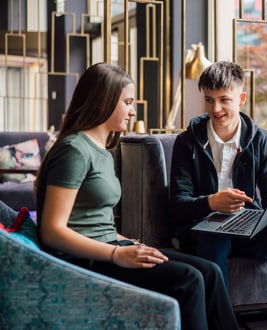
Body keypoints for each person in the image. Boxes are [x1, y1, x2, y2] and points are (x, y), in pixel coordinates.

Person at [35, 62, 239, 330]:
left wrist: (128, 242)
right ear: (104, 100)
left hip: (110, 247)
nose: (132, 110)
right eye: (127, 102)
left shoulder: (104, 149)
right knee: (189, 279)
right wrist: (115, 254)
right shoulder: (74, 150)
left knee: (209, 272)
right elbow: (51, 231)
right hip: (81, 259)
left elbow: (95, 221)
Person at [169, 61, 267, 330]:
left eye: (224, 100)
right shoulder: (187, 142)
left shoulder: (259, 139)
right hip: (205, 226)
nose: (215, 109)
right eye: (209, 100)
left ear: (241, 98)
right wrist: (212, 202)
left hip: (250, 225)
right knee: (213, 246)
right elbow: (177, 205)